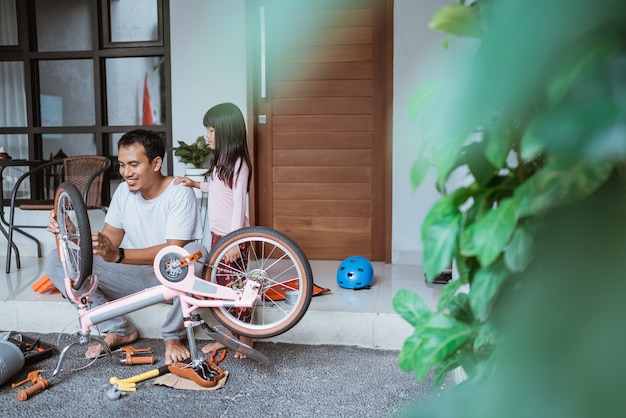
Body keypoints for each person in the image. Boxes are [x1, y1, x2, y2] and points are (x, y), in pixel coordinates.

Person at [45, 129, 205, 365]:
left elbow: (173, 250)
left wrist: (117, 255)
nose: (125, 173)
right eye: (121, 165)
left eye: (133, 164)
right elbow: (109, 241)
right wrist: (71, 233)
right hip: (132, 273)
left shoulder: (179, 191)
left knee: (193, 256)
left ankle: (172, 335)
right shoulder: (123, 192)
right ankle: (118, 328)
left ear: (156, 163)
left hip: (170, 277)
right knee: (56, 260)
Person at [174, 102, 253, 359]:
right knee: (223, 287)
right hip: (220, 236)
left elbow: (239, 203)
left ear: (226, 132)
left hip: (233, 238)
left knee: (236, 289)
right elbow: (218, 190)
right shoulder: (221, 161)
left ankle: (246, 338)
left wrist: (231, 242)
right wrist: (196, 184)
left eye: (211, 130)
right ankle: (231, 335)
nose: (207, 135)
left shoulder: (239, 163)